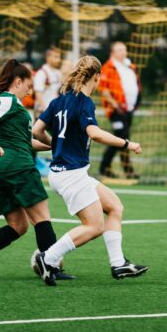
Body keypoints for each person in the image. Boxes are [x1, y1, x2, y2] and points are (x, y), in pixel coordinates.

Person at [32, 55, 148, 286]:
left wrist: (54, 144)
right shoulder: (84, 102)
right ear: (95, 77)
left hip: (66, 172)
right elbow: (94, 133)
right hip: (70, 174)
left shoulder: (58, 101)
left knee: (115, 207)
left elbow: (36, 130)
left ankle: (118, 264)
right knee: (94, 226)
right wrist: (127, 143)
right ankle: (48, 258)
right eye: (98, 80)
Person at [0, 59, 75, 281]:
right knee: (42, 217)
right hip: (16, 166)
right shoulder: (7, 100)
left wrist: (56, 146)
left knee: (18, 225)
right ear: (17, 81)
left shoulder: (12, 106)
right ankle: (50, 266)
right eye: (28, 84)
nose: (30, 90)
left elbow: (26, 141)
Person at [98, 42, 141, 179]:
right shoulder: (108, 68)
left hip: (128, 110)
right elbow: (104, 90)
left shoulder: (130, 66)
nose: (123, 52)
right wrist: (115, 105)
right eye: (119, 50)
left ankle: (126, 169)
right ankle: (106, 167)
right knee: (120, 137)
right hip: (116, 110)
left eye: (124, 50)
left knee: (124, 138)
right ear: (112, 53)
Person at [33, 48, 62, 117]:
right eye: (55, 57)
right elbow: (38, 93)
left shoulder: (58, 73)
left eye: (59, 57)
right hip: (43, 112)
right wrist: (46, 110)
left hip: (54, 112)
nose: (58, 60)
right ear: (48, 58)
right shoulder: (41, 73)